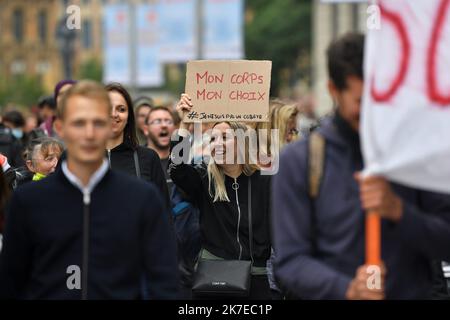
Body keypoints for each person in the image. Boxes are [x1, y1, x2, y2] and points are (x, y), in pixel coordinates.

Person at [272, 33, 450, 299]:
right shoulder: (299, 162)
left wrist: (399, 211)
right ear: (334, 91)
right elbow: (290, 260)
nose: (372, 115)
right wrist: (346, 289)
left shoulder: (419, 153)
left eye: (379, 99)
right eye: (359, 103)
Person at [0, 80, 178, 299]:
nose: (89, 133)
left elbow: (163, 280)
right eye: (79, 123)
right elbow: (12, 283)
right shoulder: (27, 202)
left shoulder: (142, 199)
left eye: (98, 122)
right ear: (60, 127)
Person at [169, 94, 272, 299]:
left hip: (257, 281)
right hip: (215, 280)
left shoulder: (265, 181)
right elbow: (177, 169)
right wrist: (185, 123)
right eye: (213, 139)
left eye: (225, 137)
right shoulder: (204, 179)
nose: (217, 144)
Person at [105, 83, 170, 210]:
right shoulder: (78, 159)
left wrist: (184, 129)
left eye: (121, 109)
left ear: (129, 116)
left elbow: (163, 214)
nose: (114, 114)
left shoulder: (148, 158)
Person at [145, 106, 176, 190]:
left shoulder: (183, 159)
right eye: (157, 121)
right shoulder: (137, 160)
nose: (164, 125)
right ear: (146, 129)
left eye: (168, 121)